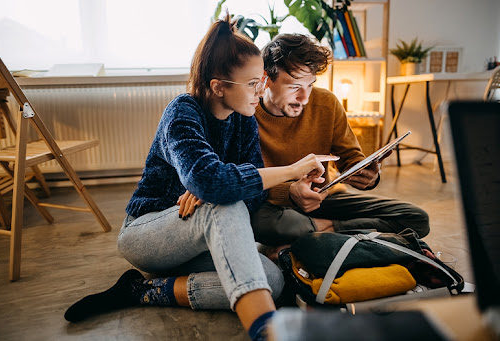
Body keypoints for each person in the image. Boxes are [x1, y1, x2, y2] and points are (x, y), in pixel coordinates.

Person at [64, 16, 331, 341]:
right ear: (218, 87)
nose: (259, 90)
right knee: (224, 204)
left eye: (260, 80)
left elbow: (250, 197)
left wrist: (215, 187)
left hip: (199, 236)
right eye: (251, 84)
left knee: (272, 282)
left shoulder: (243, 118)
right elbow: (215, 185)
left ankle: (144, 290)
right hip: (147, 234)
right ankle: (268, 332)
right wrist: (288, 172)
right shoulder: (182, 114)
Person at [250, 34, 430, 255]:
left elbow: (350, 157)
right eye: (295, 86)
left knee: (416, 219)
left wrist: (367, 173)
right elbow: (244, 179)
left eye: (310, 85)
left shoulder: (326, 103)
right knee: (259, 222)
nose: (305, 97)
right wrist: (290, 191)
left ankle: (323, 231)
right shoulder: (246, 112)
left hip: (323, 199)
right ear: (265, 79)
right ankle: (336, 236)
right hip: (273, 205)